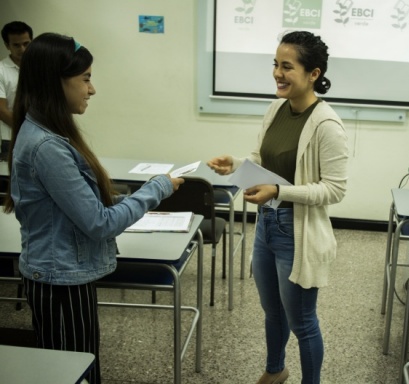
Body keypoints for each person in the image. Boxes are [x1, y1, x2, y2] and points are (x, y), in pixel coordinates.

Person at [2, 32, 184, 384]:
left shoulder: (45, 133)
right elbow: (99, 224)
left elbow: (79, 208)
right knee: (76, 373)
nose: (92, 88)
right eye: (85, 78)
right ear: (56, 82)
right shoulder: (47, 146)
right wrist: (157, 189)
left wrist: (128, 199)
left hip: (62, 273)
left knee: (76, 366)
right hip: (60, 279)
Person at [208, 31, 348, 384]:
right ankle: (275, 370)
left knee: (302, 321)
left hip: (296, 231)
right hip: (267, 225)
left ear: (313, 74)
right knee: (273, 313)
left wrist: (279, 192)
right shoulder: (276, 109)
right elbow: (262, 157)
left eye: (287, 67)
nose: (277, 74)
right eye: (275, 65)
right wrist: (238, 166)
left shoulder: (327, 124)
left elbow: (335, 189)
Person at [0, 21, 33, 161]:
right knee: (10, 180)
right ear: (7, 46)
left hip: (38, 137)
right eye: (16, 45)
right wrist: (25, 129)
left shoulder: (39, 68)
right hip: (10, 137)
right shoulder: (1, 70)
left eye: (26, 43)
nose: (23, 49)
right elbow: (1, 110)